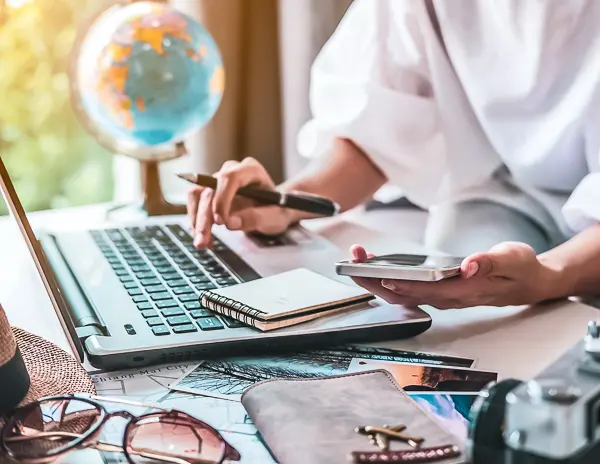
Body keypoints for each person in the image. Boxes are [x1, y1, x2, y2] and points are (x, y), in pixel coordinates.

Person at [187, 0, 600, 310]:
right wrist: (285, 201)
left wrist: (550, 277)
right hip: (508, 196)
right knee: (463, 299)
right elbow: (376, 132)